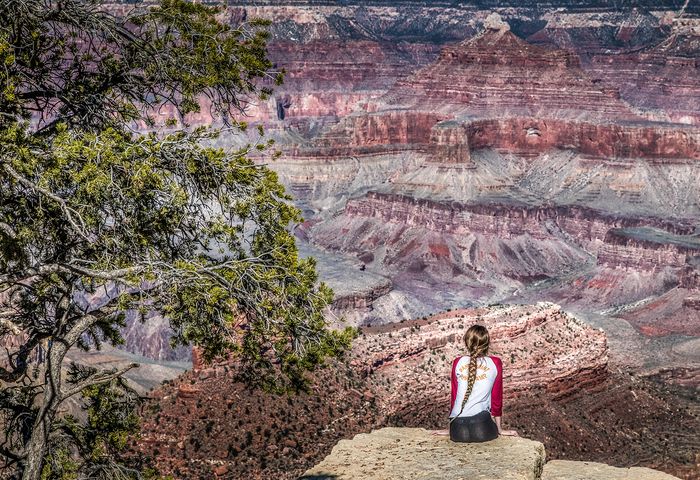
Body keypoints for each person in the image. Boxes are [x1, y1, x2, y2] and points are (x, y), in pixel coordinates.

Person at [433, 324, 518, 441]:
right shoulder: (495, 363)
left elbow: (455, 397)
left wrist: (450, 428)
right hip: (482, 427)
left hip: (457, 430)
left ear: (467, 342)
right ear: (487, 343)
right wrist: (500, 429)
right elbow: (496, 399)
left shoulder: (458, 362)